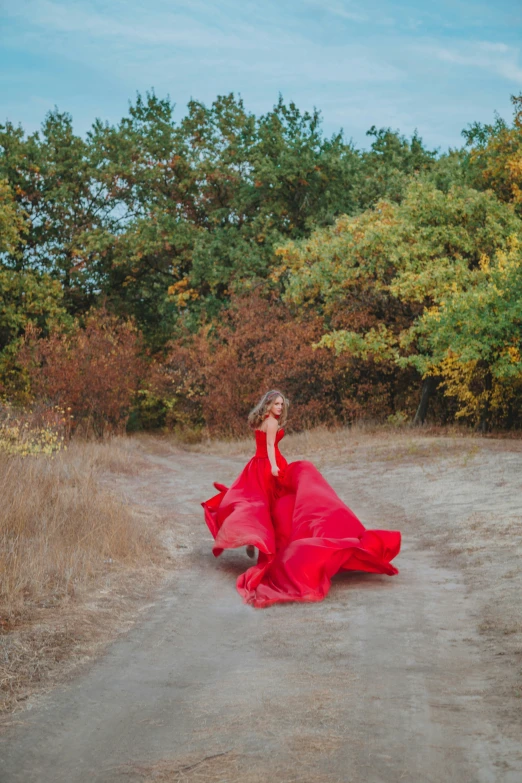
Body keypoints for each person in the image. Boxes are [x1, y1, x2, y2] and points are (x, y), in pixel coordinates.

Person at [202, 390, 401, 608]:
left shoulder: (260, 420)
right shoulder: (271, 423)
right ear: (268, 405)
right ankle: (267, 545)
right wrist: (275, 466)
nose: (280, 407)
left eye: (281, 404)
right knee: (277, 505)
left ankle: (257, 541)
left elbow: (261, 445)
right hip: (269, 465)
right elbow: (269, 446)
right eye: (276, 404)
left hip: (255, 466)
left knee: (259, 506)